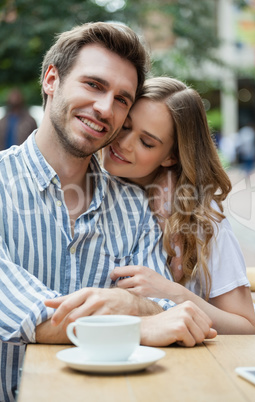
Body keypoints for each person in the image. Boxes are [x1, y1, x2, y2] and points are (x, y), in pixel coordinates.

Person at [0, 23, 216, 402]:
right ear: (52, 80)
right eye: (94, 85)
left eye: (122, 99)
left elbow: (167, 311)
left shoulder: (134, 205)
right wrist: (134, 324)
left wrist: (132, 304)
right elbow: (17, 308)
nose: (104, 108)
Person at [102, 76, 255, 335]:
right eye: (125, 126)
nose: (123, 143)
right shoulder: (88, 188)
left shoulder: (199, 219)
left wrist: (173, 292)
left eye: (146, 142)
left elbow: (247, 326)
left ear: (170, 156)